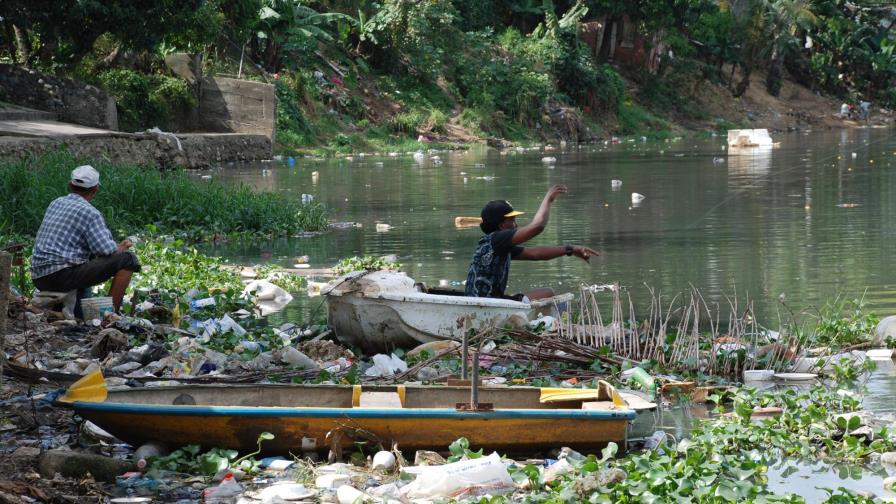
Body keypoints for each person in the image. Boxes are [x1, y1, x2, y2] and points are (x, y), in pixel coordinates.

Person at [31, 165, 141, 314]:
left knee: (85, 257)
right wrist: (120, 248)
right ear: (95, 189)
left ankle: (77, 309)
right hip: (61, 276)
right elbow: (105, 250)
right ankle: (109, 316)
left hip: (39, 276)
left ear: (70, 185)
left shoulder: (56, 202)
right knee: (128, 259)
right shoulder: (90, 213)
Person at [465, 184, 598, 301]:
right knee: (548, 293)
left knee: (546, 292)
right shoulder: (497, 239)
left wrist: (571, 249)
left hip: (489, 300)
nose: (516, 225)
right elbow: (537, 226)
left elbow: (536, 254)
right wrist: (548, 199)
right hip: (486, 303)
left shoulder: (498, 246)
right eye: (512, 220)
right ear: (501, 225)